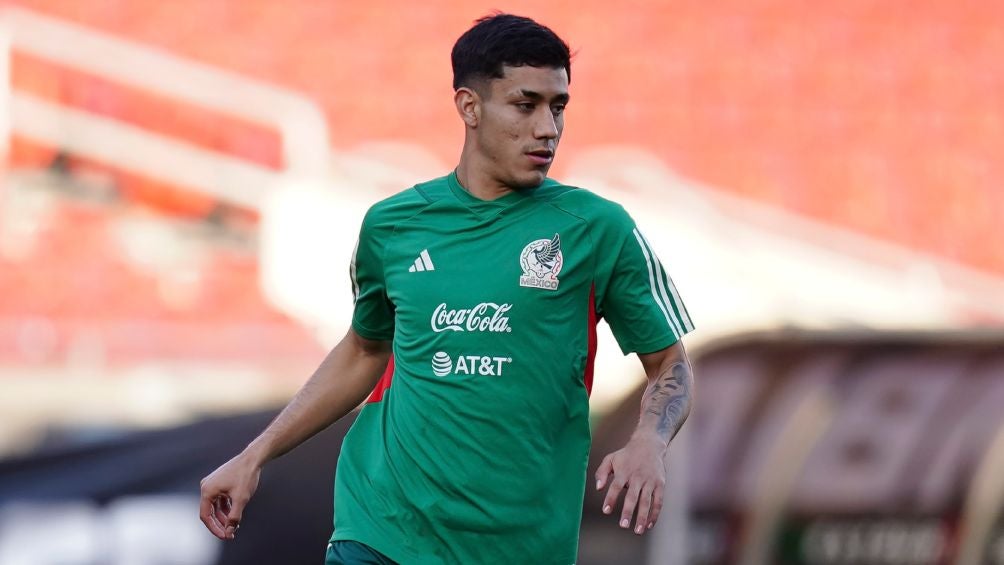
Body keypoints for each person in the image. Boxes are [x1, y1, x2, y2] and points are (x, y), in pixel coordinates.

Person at [199, 13, 696, 565]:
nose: (547, 128)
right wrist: (255, 455)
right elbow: (364, 349)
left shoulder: (597, 229)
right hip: (382, 529)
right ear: (469, 106)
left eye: (558, 107)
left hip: (518, 545)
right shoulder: (393, 225)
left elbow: (670, 363)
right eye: (525, 104)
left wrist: (650, 440)